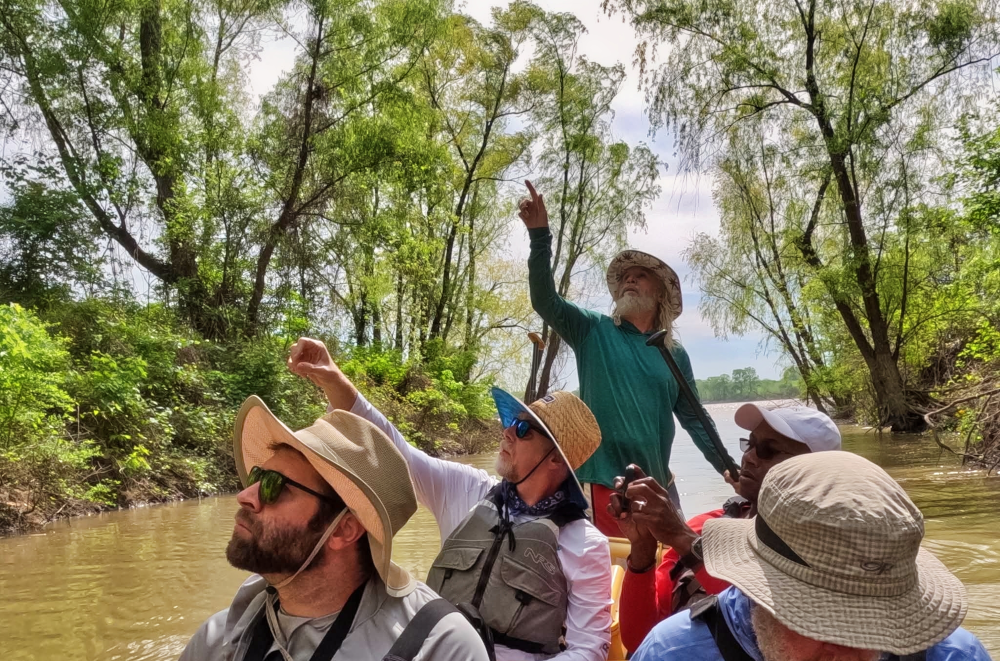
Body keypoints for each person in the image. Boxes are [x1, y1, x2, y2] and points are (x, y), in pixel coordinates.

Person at [287, 337, 614, 661]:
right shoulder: (469, 490)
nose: (507, 432)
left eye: (524, 429)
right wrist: (334, 379)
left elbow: (589, 649)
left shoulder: (586, 545)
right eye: (509, 422)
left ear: (555, 461)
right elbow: (395, 450)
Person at [179, 396, 490, 661]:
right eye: (257, 476)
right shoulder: (218, 639)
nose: (245, 496)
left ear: (344, 530)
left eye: (274, 486)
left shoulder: (439, 647)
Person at [518, 180, 733, 535]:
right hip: (603, 488)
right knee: (615, 582)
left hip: (659, 488)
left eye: (640, 277)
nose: (629, 282)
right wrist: (540, 236)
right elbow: (545, 300)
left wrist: (726, 467)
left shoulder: (674, 353)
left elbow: (696, 419)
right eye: (625, 279)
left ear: (661, 294)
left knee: (668, 577)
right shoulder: (593, 329)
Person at [629, 451, 992, 661]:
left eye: (872, 629)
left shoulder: (954, 655)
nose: (848, 653)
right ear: (760, 588)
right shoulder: (675, 653)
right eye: (822, 625)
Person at [611, 404, 842, 652]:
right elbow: (638, 640)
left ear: (816, 471)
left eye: (769, 450)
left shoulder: (824, 553)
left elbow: (773, 628)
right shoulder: (704, 526)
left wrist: (681, 538)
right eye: (750, 444)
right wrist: (642, 546)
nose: (749, 457)